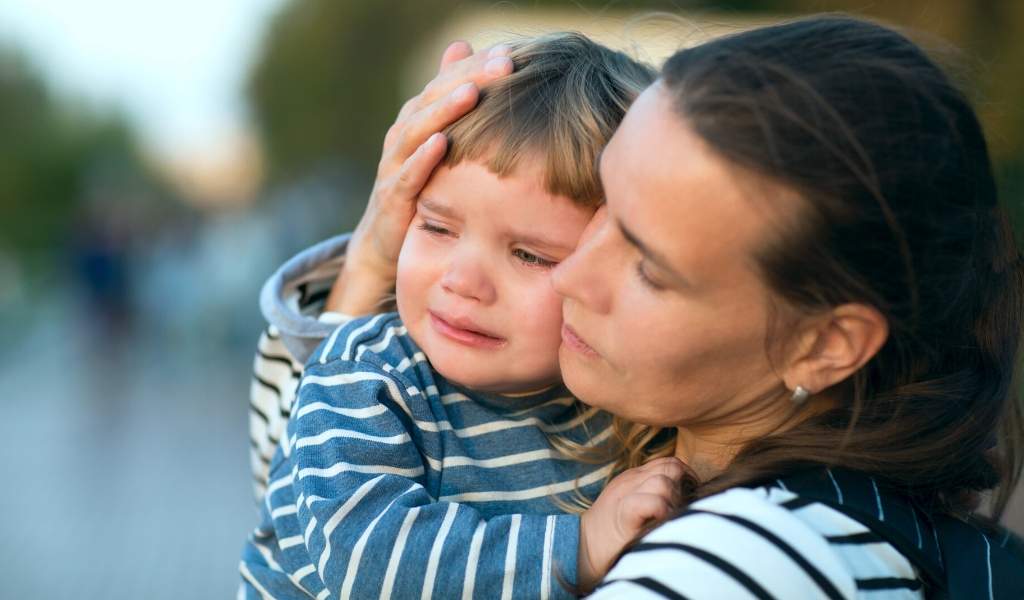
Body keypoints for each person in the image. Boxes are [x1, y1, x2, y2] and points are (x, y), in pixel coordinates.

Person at [252, 14, 1024, 598]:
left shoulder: (720, 566)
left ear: (824, 345)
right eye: (602, 218)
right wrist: (371, 267)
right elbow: (303, 502)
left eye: (648, 265)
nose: (571, 278)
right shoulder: (669, 434)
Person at [240, 33, 681, 599]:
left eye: (529, 254)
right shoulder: (366, 376)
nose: (462, 281)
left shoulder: (622, 406)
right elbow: (370, 563)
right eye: (437, 227)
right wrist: (583, 546)